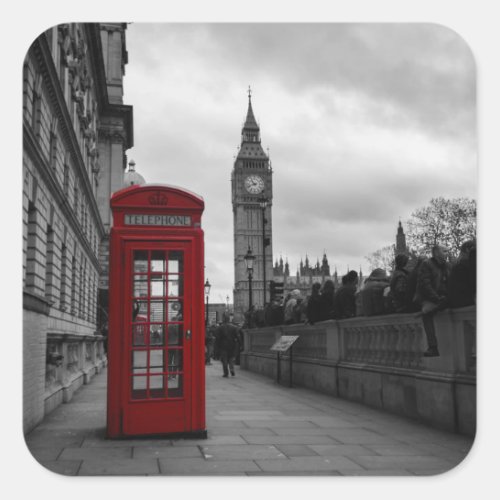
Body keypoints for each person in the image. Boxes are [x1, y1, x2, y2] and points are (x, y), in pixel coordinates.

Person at [415, 245, 450, 357]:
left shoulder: (448, 266)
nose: (447, 253)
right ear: (436, 253)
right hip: (433, 298)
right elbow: (425, 284)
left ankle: (433, 347)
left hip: (444, 297)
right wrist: (436, 298)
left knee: (427, 313)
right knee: (427, 315)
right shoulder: (427, 264)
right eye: (444, 251)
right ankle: (433, 346)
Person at [448, 240, 476, 308]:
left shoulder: (458, 265)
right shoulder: (465, 265)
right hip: (465, 302)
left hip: (459, 302)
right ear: (467, 250)